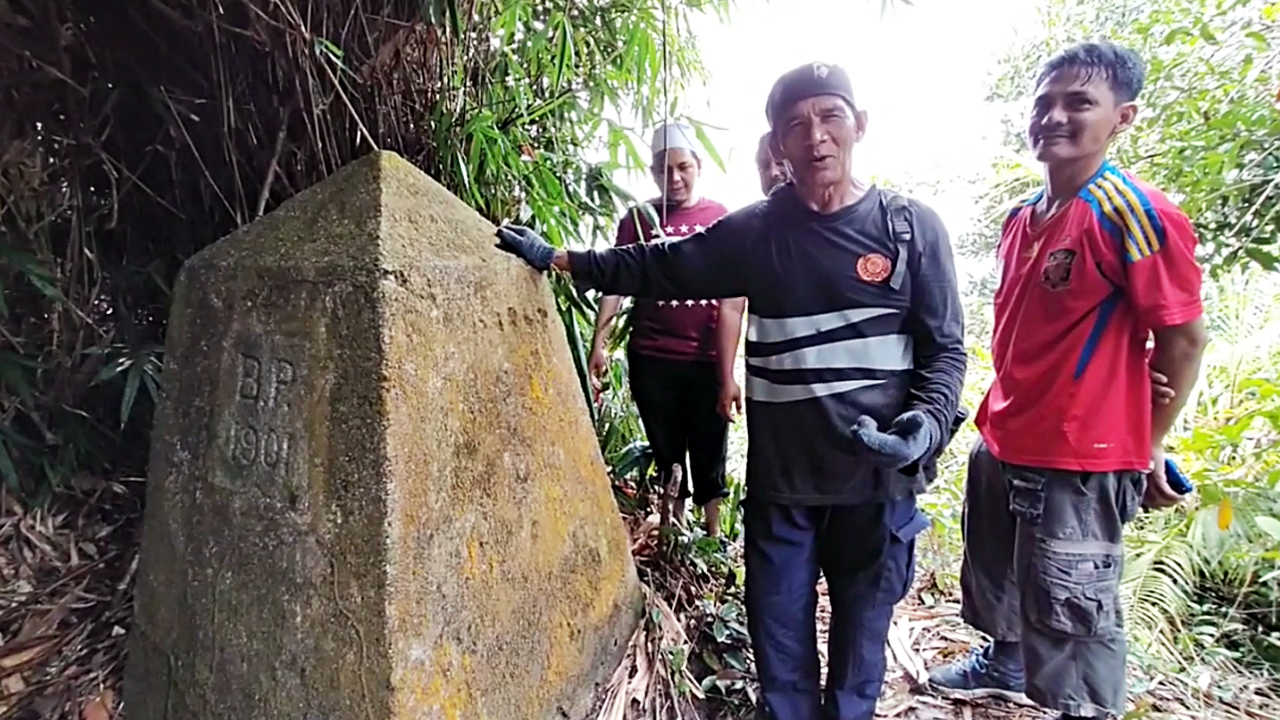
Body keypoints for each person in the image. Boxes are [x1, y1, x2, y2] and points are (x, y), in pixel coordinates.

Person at [496, 61, 967, 720]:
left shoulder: (911, 229)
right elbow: (660, 265)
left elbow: (945, 353)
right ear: (776, 144)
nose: (816, 137)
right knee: (781, 670)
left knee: (859, 669)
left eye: (830, 117)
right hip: (783, 494)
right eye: (795, 125)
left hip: (877, 494)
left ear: (859, 125)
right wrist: (561, 258)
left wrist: (928, 423)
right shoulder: (759, 231)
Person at [926, 42, 1208, 720]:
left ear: (1123, 117)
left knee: (1076, 607)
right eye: (1044, 103)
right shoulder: (1022, 216)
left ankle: (1084, 710)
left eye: (1079, 102)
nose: (1054, 117)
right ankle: (1005, 661)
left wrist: (1147, 445)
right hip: (1008, 431)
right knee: (999, 578)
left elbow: (1184, 338)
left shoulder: (1132, 213)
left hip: (1081, 454)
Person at [586, 122, 739, 536]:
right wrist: (599, 343)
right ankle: (673, 529)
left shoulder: (721, 219)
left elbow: (733, 300)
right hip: (651, 355)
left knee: (710, 447)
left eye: (683, 167)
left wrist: (728, 373)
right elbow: (615, 282)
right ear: (653, 173)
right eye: (664, 170)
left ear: (698, 166)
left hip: (705, 358)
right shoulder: (638, 220)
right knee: (666, 446)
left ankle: (712, 536)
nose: (674, 178)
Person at [716, 132, 794, 422]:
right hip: (770, 388)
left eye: (779, 163)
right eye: (763, 166)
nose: (773, 172)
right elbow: (731, 308)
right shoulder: (750, 231)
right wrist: (727, 378)